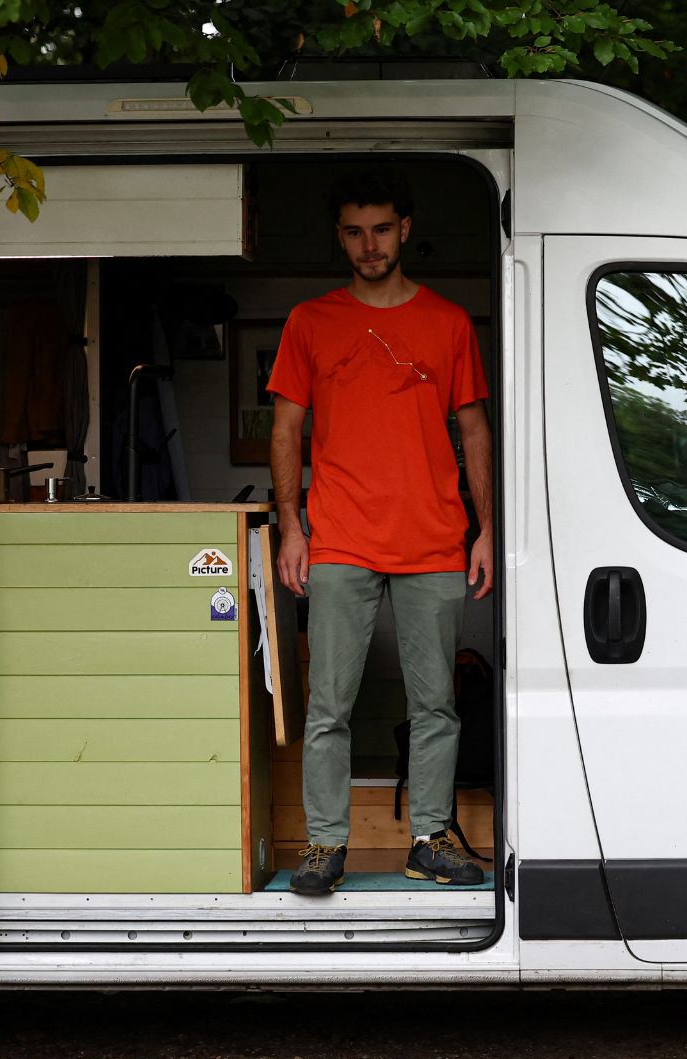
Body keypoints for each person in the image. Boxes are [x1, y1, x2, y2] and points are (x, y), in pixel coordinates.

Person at [267, 169, 493, 894]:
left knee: (436, 705)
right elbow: (285, 430)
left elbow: (474, 429)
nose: (370, 245)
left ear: (406, 229)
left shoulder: (449, 323)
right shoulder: (309, 321)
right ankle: (325, 845)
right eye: (355, 232)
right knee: (330, 702)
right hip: (338, 538)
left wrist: (486, 530)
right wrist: (290, 528)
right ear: (341, 237)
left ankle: (429, 839)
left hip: (433, 539)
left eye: (383, 229)